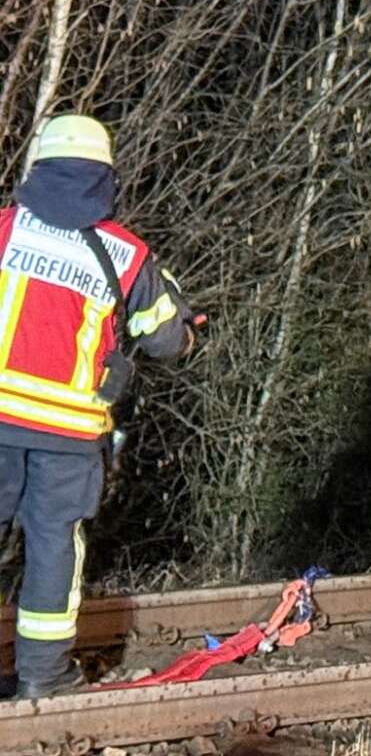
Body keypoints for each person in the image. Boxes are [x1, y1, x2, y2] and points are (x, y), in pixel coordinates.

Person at [0, 115, 192, 698]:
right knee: (55, 543)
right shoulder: (126, 255)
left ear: (39, 168)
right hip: (69, 433)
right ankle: (42, 679)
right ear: (105, 177)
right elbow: (166, 340)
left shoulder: (5, 229)